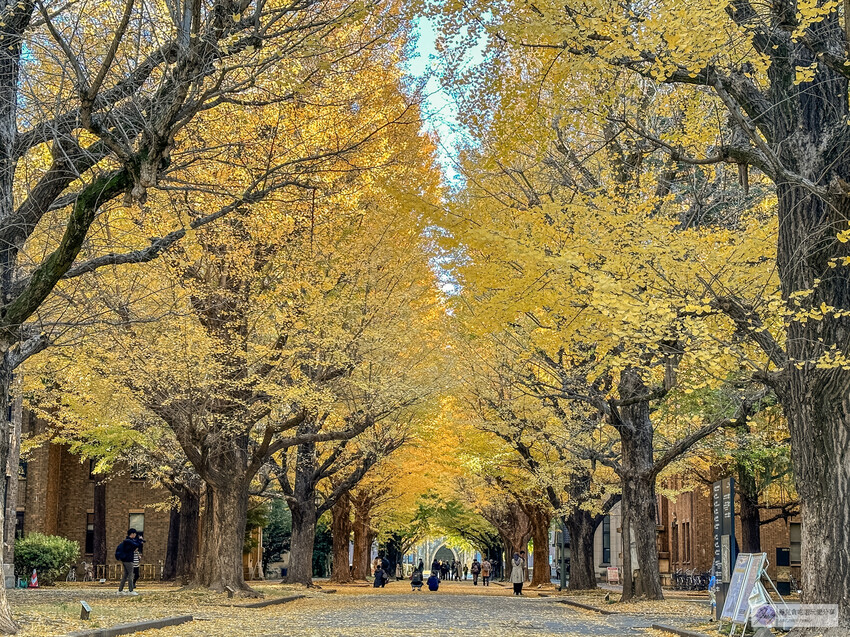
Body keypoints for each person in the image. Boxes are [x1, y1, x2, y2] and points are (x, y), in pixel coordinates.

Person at [115, 528, 144, 595]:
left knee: (125, 575)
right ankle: (130, 590)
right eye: (135, 534)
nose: (135, 535)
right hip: (128, 560)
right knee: (131, 575)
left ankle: (120, 590)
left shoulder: (127, 541)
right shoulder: (128, 541)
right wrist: (140, 541)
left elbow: (135, 545)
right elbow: (136, 545)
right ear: (132, 534)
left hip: (125, 560)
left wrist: (139, 541)